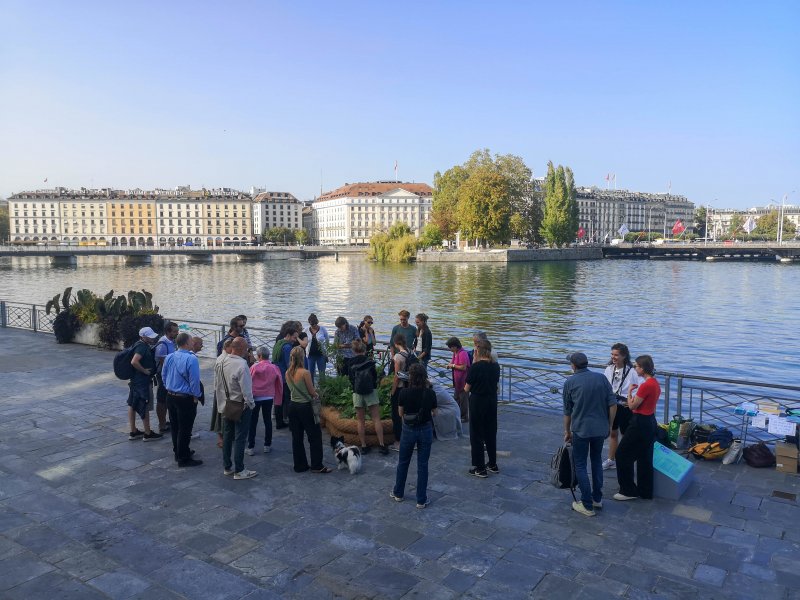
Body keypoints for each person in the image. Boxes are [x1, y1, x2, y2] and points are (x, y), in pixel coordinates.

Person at [563, 352, 617, 517]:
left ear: (573, 365)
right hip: (600, 429)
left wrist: (567, 431)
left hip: (581, 429)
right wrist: (609, 425)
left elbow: (567, 412)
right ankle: (597, 499)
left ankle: (586, 504)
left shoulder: (570, 382)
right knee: (595, 462)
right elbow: (612, 404)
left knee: (580, 464)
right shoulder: (601, 378)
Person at [391, 364, 437, 509]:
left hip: (408, 429)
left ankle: (398, 493)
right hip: (425, 429)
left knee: (403, 462)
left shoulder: (404, 392)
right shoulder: (430, 393)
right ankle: (421, 500)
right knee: (423, 465)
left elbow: (400, 413)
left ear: (410, 377)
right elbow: (435, 413)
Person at [615, 355, 660, 501]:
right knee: (644, 456)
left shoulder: (646, 385)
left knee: (622, 454)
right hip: (650, 421)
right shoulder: (655, 383)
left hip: (640, 422)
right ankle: (645, 491)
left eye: (636, 366)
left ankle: (627, 490)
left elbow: (632, 406)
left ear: (643, 368)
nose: (634, 368)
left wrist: (629, 393)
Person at [215, 337, 257, 480]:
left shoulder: (222, 361)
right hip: (240, 405)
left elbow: (218, 385)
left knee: (227, 436)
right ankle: (239, 470)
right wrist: (251, 404)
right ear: (241, 349)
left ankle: (227, 467)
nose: (247, 352)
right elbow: (246, 389)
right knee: (240, 437)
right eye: (246, 349)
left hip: (226, 404)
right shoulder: (241, 364)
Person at [286, 345, 331, 473]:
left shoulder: (287, 372)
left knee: (297, 437)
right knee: (314, 436)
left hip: (293, 406)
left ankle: (300, 465)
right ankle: (317, 465)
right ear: (302, 357)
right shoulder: (305, 373)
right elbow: (312, 392)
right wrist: (317, 395)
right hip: (305, 406)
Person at [161, 332, 203, 467]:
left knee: (175, 426)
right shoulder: (192, 359)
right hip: (185, 398)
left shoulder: (169, 357)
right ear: (186, 343)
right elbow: (194, 380)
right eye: (191, 341)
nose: (193, 343)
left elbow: (164, 375)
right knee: (185, 428)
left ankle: (178, 452)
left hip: (170, 395)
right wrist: (196, 396)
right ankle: (183, 458)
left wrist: (169, 387)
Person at [464, 340, 500, 478]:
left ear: (478, 351)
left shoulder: (476, 367)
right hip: (492, 400)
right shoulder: (495, 366)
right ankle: (492, 464)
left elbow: (467, 388)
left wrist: (474, 362)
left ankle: (479, 467)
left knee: (476, 434)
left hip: (478, 401)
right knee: (491, 431)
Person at [602, 343, 641, 470]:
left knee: (625, 434)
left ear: (624, 356)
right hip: (613, 404)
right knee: (613, 433)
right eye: (612, 354)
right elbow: (606, 385)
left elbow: (639, 387)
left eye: (616, 355)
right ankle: (611, 459)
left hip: (625, 406)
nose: (613, 357)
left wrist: (630, 400)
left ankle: (625, 459)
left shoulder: (632, 371)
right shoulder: (609, 369)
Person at [348, 339, 388, 454]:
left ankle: (364, 446)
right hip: (371, 391)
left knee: (360, 421)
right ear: (364, 350)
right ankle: (381, 445)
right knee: (376, 419)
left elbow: (351, 378)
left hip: (357, 392)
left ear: (353, 350)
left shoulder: (350, 362)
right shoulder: (370, 361)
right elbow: (374, 377)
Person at [127, 327, 163, 441]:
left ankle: (133, 431)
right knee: (144, 404)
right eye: (150, 336)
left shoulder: (137, 344)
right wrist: (144, 371)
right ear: (143, 337)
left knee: (132, 404)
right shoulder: (142, 347)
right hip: (142, 381)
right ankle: (147, 433)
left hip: (135, 381)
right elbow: (134, 361)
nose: (152, 338)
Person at [247, 346, 282, 456]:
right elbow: (279, 384)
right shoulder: (274, 368)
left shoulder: (254, 367)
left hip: (256, 396)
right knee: (268, 421)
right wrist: (278, 398)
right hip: (269, 397)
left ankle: (250, 447)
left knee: (253, 421)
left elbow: (248, 381)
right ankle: (267, 445)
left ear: (259, 356)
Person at [154, 321, 179, 433]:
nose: (177, 333)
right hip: (163, 375)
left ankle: (166, 421)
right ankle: (162, 425)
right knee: (161, 399)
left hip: (170, 375)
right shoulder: (162, 343)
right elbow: (162, 360)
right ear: (168, 331)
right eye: (175, 331)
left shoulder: (172, 341)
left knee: (168, 399)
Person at [272, 326, 298, 429]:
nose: (295, 340)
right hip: (285, 377)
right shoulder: (287, 347)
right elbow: (290, 365)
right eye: (294, 338)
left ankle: (279, 422)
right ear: (288, 335)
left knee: (279, 400)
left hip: (277, 375)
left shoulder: (278, 343)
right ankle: (292, 424)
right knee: (288, 400)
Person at [389, 334, 411, 451]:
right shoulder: (410, 352)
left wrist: (392, 391)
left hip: (400, 389)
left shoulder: (398, 356)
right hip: (409, 387)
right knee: (407, 414)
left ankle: (398, 442)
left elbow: (397, 377)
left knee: (397, 415)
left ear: (396, 343)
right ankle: (410, 440)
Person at [210, 338, 233, 447]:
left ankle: (223, 436)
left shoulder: (222, 358)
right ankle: (222, 438)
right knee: (222, 415)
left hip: (220, 390)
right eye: (232, 347)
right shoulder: (224, 359)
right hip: (222, 391)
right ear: (226, 347)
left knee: (221, 414)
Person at [446, 336, 471, 423]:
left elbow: (463, 367)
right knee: (456, 398)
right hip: (457, 381)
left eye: (450, 347)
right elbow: (452, 362)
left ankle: (464, 417)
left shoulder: (462, 353)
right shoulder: (455, 353)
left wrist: (452, 366)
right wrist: (449, 365)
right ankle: (457, 414)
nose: (450, 349)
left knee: (463, 399)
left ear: (455, 346)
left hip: (463, 381)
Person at [306, 313, 329, 383]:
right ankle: (311, 390)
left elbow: (327, 341)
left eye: (314, 324)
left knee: (322, 373)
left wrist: (327, 354)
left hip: (321, 355)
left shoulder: (323, 329)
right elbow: (302, 339)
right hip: (310, 355)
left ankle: (323, 389)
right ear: (309, 323)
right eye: (311, 324)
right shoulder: (306, 330)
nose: (313, 326)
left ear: (317, 322)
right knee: (310, 374)